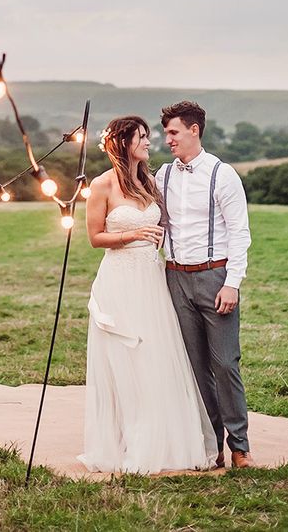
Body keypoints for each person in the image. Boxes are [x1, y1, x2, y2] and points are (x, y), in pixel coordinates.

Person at [78, 115, 221, 474]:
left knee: (157, 358)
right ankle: (129, 441)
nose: (148, 142)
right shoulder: (102, 185)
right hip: (120, 280)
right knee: (128, 359)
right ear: (125, 142)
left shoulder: (151, 182)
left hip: (152, 280)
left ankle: (163, 439)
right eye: (142, 137)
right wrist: (132, 236)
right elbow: (95, 238)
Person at [155, 101, 254, 468]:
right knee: (195, 367)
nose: (168, 140)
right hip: (176, 277)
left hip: (215, 277)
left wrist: (233, 283)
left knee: (225, 364)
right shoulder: (162, 174)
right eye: (166, 133)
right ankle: (211, 447)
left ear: (194, 131)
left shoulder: (222, 174)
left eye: (173, 132)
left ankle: (240, 445)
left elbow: (240, 233)